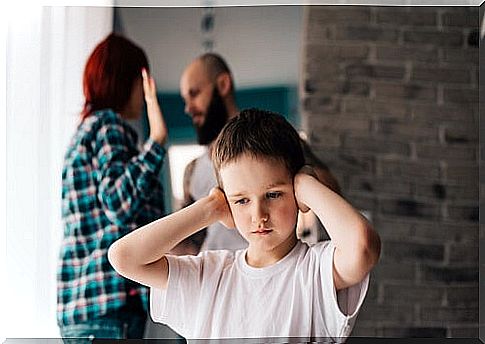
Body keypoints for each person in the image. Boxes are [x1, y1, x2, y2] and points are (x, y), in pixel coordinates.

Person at [108, 108, 381, 341]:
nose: (258, 214)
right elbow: (124, 257)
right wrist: (208, 208)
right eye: (241, 201)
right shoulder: (210, 275)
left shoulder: (315, 271)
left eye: (273, 195)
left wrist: (306, 185)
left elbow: (363, 247)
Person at [57, 33, 168, 340]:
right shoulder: (109, 126)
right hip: (109, 308)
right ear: (128, 81)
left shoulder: (84, 133)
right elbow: (119, 203)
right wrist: (157, 139)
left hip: (83, 308)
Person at [179, 53, 340, 252]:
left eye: (194, 94)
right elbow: (191, 241)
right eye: (185, 99)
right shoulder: (192, 170)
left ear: (222, 85)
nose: (187, 108)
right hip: (218, 276)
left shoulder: (273, 140)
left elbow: (329, 187)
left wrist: (299, 183)